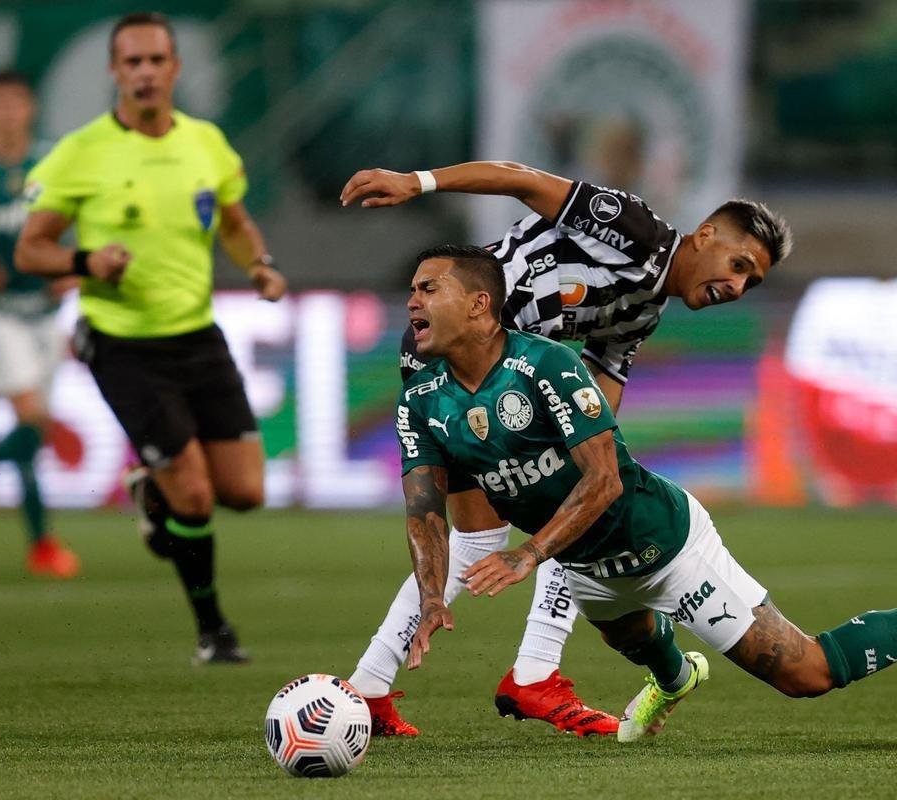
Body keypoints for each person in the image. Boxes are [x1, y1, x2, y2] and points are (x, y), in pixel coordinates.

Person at [394, 244, 897, 741]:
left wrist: (527, 555)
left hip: (666, 547)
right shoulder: (422, 400)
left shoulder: (546, 366)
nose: (413, 301)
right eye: (411, 291)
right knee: (638, 642)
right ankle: (677, 677)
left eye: (429, 288)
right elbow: (424, 507)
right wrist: (430, 595)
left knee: (807, 674)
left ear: (481, 303)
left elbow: (604, 478)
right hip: (587, 568)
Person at [338, 161, 793, 735]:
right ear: (706, 236)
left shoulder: (644, 309)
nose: (737, 287)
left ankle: (389, 685)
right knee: (494, 532)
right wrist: (419, 183)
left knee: (578, 504)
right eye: (739, 266)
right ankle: (520, 677)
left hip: (500, 373)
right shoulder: (635, 230)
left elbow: (602, 404)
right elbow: (521, 179)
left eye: (751, 283)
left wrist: (596, 468)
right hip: (461, 352)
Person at [15, 12, 287, 663]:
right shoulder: (81, 153)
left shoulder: (206, 143)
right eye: (131, 62)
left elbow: (236, 220)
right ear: (114, 71)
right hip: (121, 341)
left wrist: (259, 264)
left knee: (245, 493)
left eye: (155, 60)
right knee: (194, 496)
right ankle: (213, 631)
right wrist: (85, 264)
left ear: (175, 68)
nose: (144, 72)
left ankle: (150, 488)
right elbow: (32, 248)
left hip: (197, 334)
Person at [0, 70, 79, 578]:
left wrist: (71, 267)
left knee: (31, 433)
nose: (6, 113)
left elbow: (79, 223)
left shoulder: (53, 165)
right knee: (29, 418)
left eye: (14, 103)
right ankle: (42, 541)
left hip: (46, 317)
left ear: (30, 109)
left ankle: (41, 543)